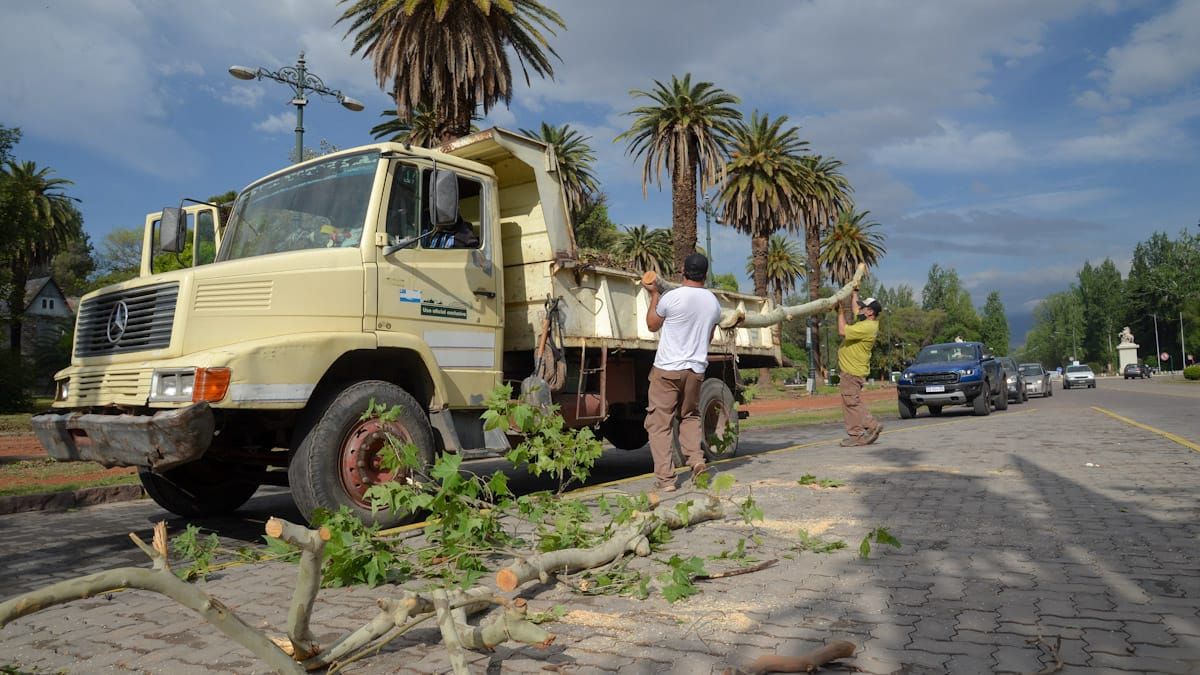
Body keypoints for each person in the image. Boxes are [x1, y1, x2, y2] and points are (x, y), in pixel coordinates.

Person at [642, 253, 722, 492]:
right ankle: (696, 462)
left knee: (660, 424)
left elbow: (652, 324)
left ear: (682, 271)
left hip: (667, 369)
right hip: (695, 370)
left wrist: (654, 293)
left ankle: (666, 480)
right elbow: (708, 336)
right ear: (705, 275)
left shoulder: (671, 297)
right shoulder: (713, 303)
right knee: (690, 417)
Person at [837, 288, 883, 447]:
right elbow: (856, 309)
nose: (860, 310)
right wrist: (855, 291)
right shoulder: (866, 322)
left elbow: (842, 331)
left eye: (863, 307)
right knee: (850, 402)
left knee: (852, 402)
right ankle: (856, 433)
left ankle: (867, 427)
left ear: (870, 312)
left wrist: (839, 312)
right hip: (852, 370)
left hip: (852, 372)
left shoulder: (867, 327)